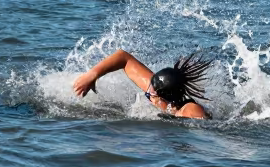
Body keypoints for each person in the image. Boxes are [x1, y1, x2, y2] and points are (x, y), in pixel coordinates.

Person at [73, 49, 212, 119]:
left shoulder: (190, 109)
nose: (148, 90)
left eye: (152, 90)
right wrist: (92, 75)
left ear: (164, 96)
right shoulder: (159, 90)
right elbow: (123, 57)